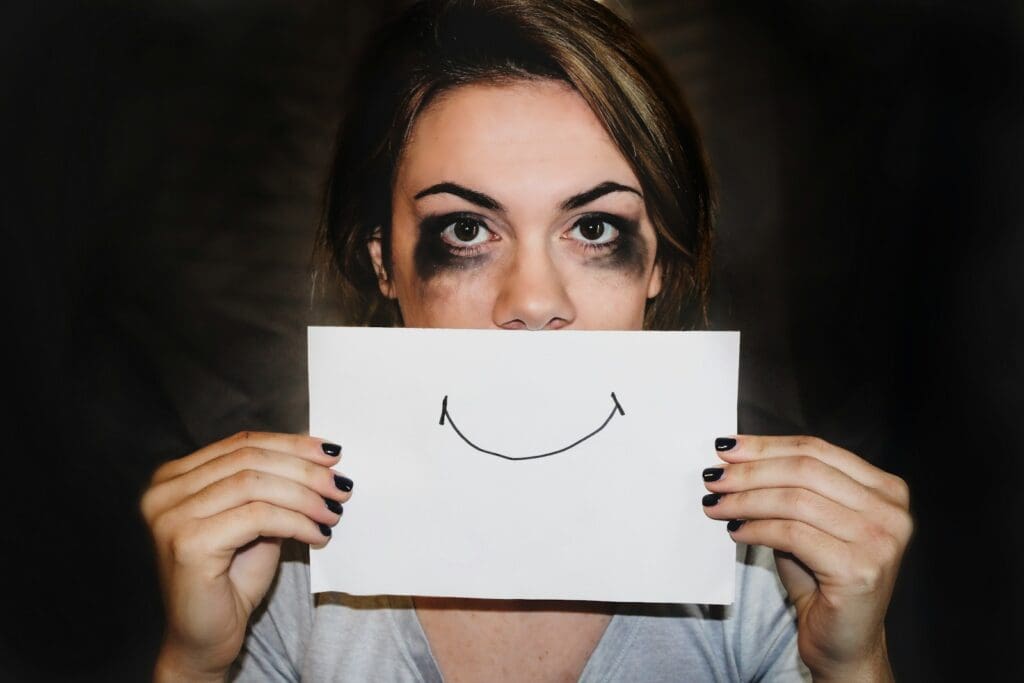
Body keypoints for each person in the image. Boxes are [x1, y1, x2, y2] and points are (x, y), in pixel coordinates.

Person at [141, 1, 913, 680]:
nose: (534, 301)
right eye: (467, 229)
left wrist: (851, 665)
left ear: (658, 266)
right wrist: (195, 664)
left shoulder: (770, 571)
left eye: (594, 228)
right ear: (384, 261)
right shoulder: (282, 571)